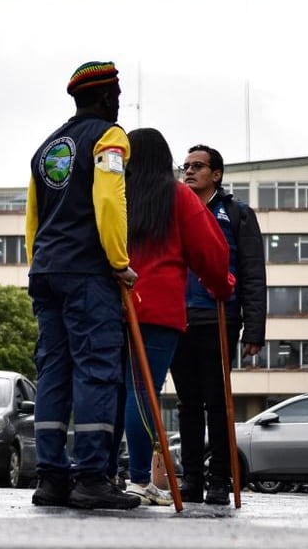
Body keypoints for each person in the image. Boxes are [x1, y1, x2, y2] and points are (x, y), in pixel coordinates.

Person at [25, 60, 140, 510]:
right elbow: (109, 198)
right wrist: (119, 260)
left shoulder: (46, 147)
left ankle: (51, 478)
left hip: (47, 271)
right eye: (116, 92)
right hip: (88, 272)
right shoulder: (109, 137)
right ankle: (93, 477)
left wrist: (40, 265)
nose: (118, 101)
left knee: (54, 371)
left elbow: (33, 218)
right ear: (105, 95)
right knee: (97, 370)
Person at [117, 128, 234, 506]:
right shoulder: (178, 196)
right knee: (141, 390)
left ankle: (104, 473)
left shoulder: (116, 195)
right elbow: (211, 252)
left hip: (114, 304)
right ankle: (138, 477)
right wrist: (222, 284)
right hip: (159, 308)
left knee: (114, 390)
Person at [172, 144, 266, 506]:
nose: (190, 171)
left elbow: (253, 273)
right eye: (186, 166)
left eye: (198, 166)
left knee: (218, 401)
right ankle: (191, 478)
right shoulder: (175, 211)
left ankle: (220, 478)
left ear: (217, 174)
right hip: (180, 318)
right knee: (187, 402)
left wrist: (254, 329)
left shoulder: (237, 213)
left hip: (219, 317)